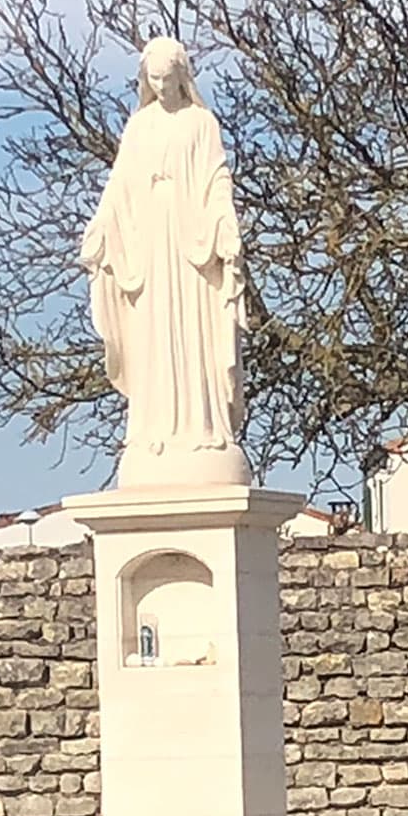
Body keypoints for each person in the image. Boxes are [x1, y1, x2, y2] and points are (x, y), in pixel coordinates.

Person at [79, 37, 250, 487]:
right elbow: (119, 185)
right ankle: (153, 430)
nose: (159, 86)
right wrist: (101, 226)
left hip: (192, 243)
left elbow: (217, 176)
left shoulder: (201, 123)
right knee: (154, 331)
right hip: (150, 241)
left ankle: (202, 426)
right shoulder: (139, 127)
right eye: (152, 79)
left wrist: (224, 223)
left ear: (181, 76)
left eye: (166, 78)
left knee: (193, 330)